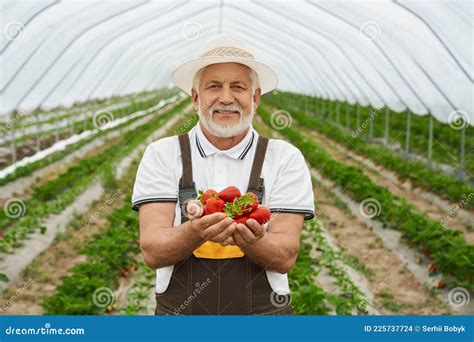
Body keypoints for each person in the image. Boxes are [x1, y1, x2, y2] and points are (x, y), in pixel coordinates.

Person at [131, 34, 315, 315]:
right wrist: (195, 231)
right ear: (196, 98)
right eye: (214, 86)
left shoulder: (284, 159)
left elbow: (285, 255)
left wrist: (254, 240)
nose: (226, 98)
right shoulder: (163, 155)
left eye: (238, 87)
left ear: (255, 98)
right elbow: (153, 250)